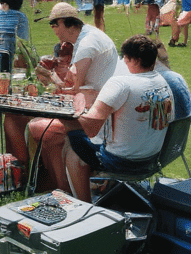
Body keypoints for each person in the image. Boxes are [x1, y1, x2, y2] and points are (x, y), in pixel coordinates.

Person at [59, 34, 174, 199]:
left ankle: (83, 204)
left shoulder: (120, 83)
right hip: (152, 159)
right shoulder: (164, 83)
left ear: (133, 60)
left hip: (122, 162)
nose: (124, 61)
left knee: (72, 141)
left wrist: (69, 111)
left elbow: (91, 128)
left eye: (125, 57)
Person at [20, 2, 118, 195]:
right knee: (34, 124)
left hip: (97, 117)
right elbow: (75, 86)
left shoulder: (87, 43)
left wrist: (50, 77)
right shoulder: (89, 37)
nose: (53, 29)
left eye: (54, 24)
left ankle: (60, 189)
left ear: (64, 22)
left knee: (39, 128)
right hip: (97, 107)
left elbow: (74, 88)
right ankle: (50, 185)